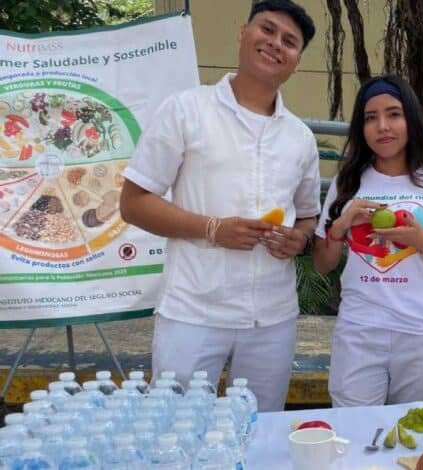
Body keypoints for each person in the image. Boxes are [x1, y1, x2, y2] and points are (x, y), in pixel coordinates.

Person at [119, 0, 319, 411]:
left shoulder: (300, 137)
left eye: (290, 41)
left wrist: (298, 240)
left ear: (297, 62)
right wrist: (212, 228)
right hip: (193, 311)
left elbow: (307, 216)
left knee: (260, 426)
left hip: (272, 317)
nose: (275, 44)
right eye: (267, 29)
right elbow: (134, 203)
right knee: (176, 427)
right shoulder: (186, 110)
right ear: (243, 33)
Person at [313, 75, 423, 407]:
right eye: (371, 118)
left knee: (414, 428)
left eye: (394, 114)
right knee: (353, 427)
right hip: (359, 329)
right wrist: (340, 226)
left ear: (411, 120)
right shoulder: (347, 183)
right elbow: (322, 264)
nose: (382, 126)